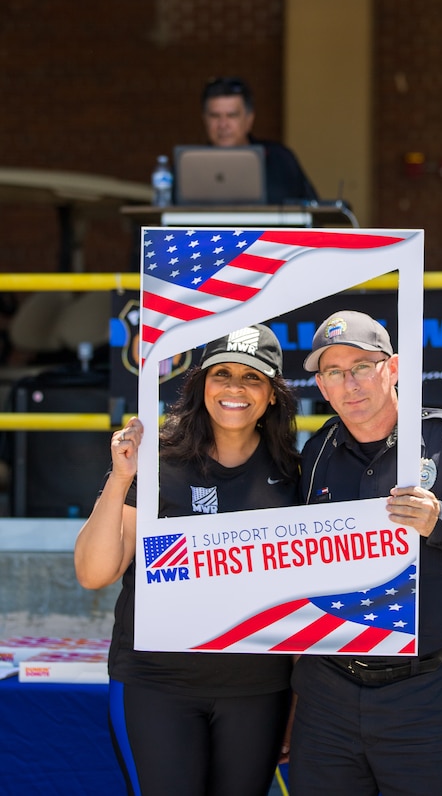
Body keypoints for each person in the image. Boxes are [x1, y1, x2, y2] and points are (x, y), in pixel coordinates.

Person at [288, 310, 442, 796]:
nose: (350, 384)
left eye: (362, 366)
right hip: (327, 689)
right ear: (320, 386)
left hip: (421, 688)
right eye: (333, 373)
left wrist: (441, 522)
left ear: (395, 367)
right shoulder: (316, 451)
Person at [74, 324, 300, 796]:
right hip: (157, 683)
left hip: (258, 690)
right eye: (222, 374)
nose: (235, 388)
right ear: (201, 383)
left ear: (273, 395)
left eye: (252, 378)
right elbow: (94, 573)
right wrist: (120, 479)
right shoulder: (157, 462)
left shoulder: (294, 472)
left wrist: (298, 699)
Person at [201, 76, 318, 205]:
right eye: (215, 116)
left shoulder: (281, 160)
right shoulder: (188, 167)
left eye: (232, 115)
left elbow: (314, 210)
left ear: (249, 119)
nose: (223, 125)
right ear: (205, 120)